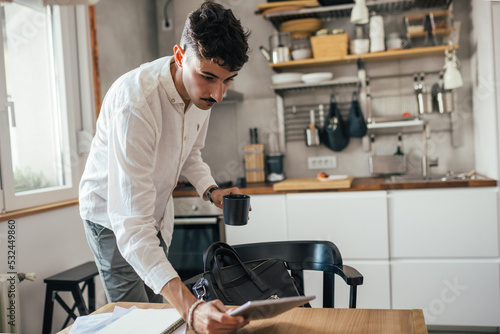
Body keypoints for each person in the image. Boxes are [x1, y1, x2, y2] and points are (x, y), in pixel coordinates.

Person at [79, 2, 251, 333]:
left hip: (152, 211)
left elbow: (190, 151)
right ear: (180, 55)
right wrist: (193, 309)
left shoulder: (204, 94)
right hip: (110, 220)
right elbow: (131, 226)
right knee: (134, 318)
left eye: (228, 80)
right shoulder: (136, 105)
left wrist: (211, 190)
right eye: (209, 77)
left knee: (160, 312)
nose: (218, 93)